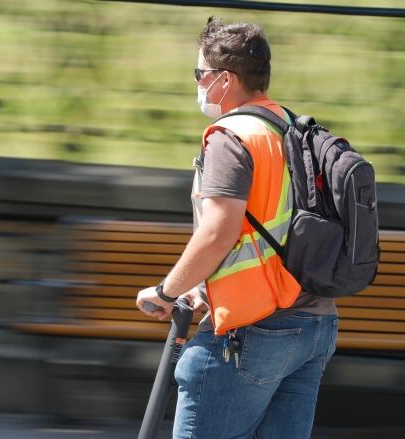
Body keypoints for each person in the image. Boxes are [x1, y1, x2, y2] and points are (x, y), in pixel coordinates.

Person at [135, 17, 339, 439]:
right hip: (313, 326)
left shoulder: (233, 135)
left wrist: (166, 292)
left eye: (200, 74)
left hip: (254, 331)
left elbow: (219, 231)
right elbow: (269, 227)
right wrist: (204, 283)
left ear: (224, 80)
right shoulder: (292, 129)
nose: (198, 83)